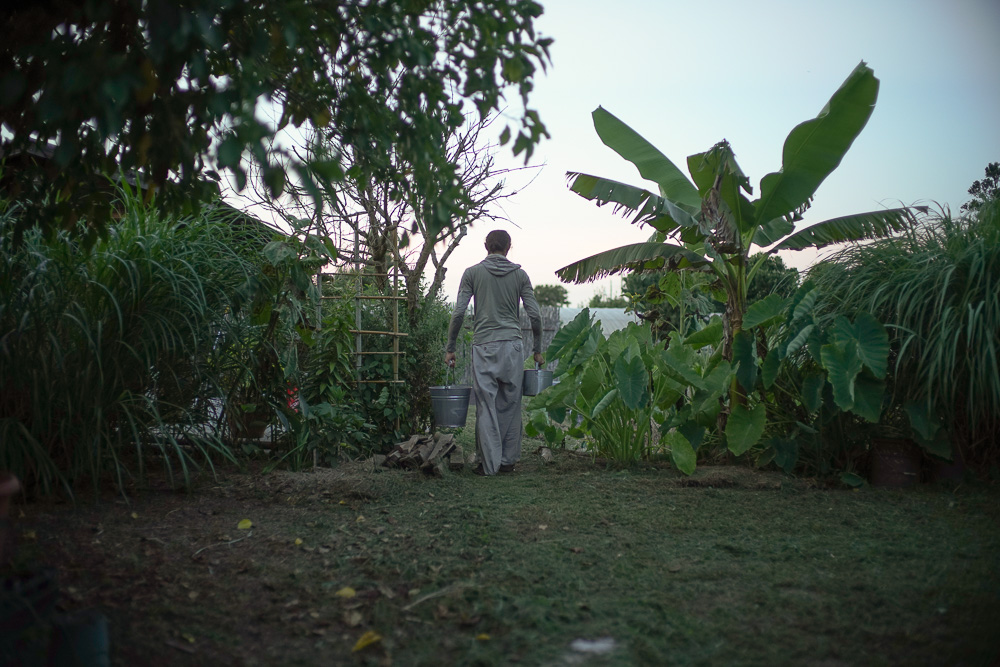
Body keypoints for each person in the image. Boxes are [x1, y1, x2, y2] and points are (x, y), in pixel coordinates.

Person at [444, 230, 544, 476]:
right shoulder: (520, 275)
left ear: (485, 246)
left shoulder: (472, 273)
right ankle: (508, 462)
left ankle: (489, 465)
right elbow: (535, 315)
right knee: (511, 403)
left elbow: (458, 313)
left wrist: (451, 348)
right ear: (509, 247)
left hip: (484, 345)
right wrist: (538, 350)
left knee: (486, 406)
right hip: (512, 346)